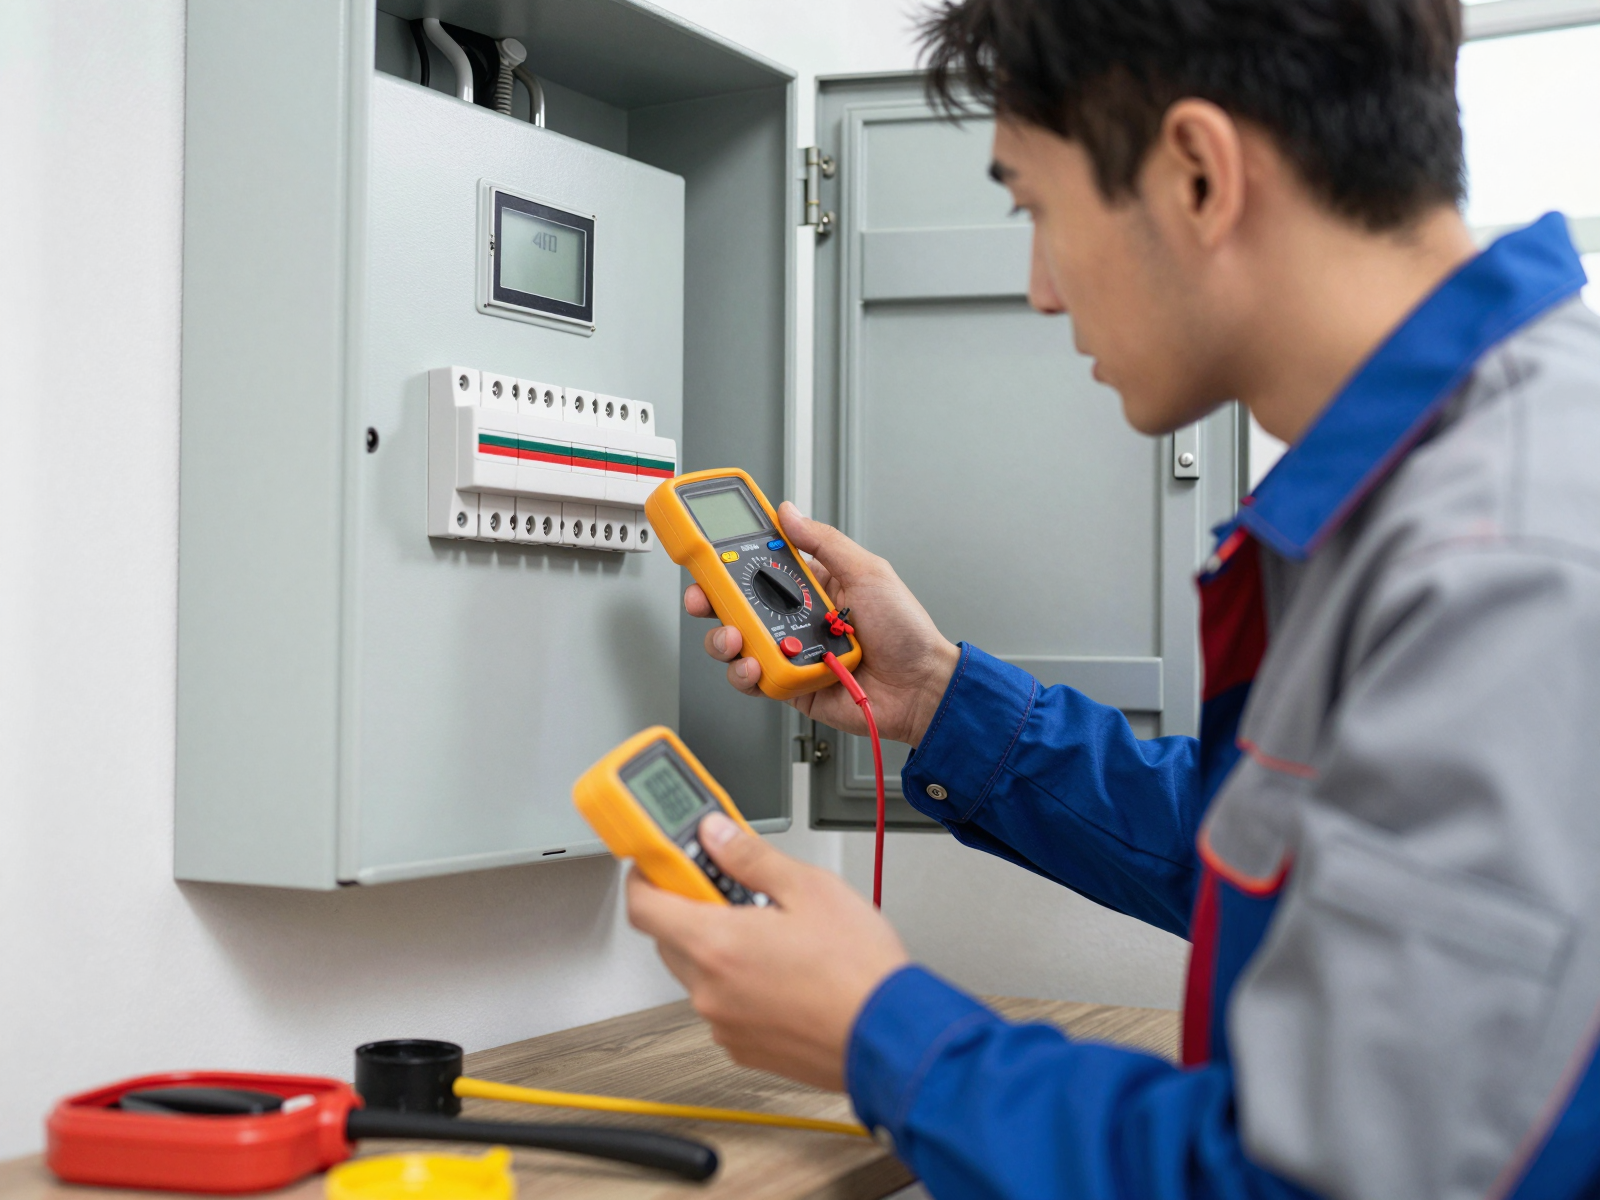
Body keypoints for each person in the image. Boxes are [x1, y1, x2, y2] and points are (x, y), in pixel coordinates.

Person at [626, 0, 1600, 1195]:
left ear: (1196, 173)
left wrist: (877, 1034)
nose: (1037, 289)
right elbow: (1291, 865)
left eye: (1036, 208)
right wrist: (935, 695)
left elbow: (1334, 1179)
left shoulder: (1506, 560)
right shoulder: (1439, 488)